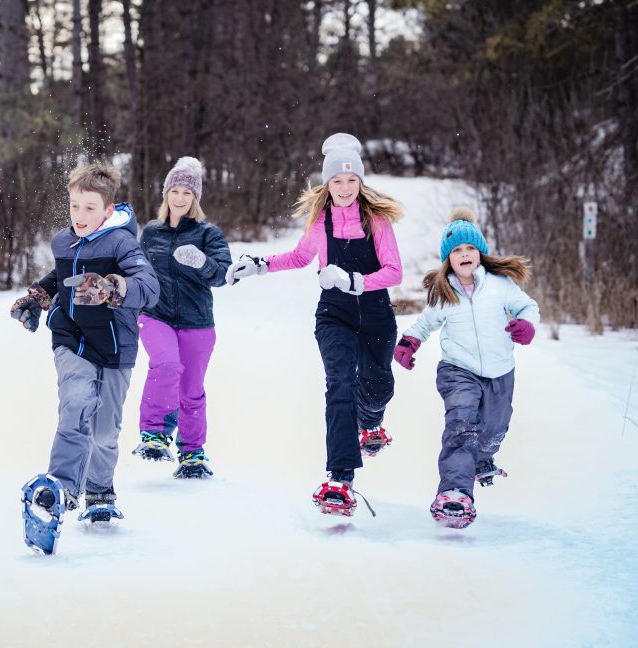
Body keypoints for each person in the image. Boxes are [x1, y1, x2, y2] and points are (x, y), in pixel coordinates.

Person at [225, 133, 404, 517]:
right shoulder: (320, 221)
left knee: (378, 387)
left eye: (351, 180)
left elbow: (394, 271)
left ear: (360, 181)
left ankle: (370, 421)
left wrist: (355, 281)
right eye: (336, 181)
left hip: (374, 313)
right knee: (338, 383)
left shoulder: (377, 220)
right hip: (334, 315)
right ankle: (339, 479)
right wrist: (259, 265)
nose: (343, 188)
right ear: (327, 184)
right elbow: (299, 257)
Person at [10, 162, 159, 550]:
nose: (80, 216)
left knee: (105, 431)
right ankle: (58, 489)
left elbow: (149, 286)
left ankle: (99, 491)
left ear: (108, 210)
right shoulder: (63, 242)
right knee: (76, 403)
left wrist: (112, 287)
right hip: (70, 335)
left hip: (114, 345)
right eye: (75, 206)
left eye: (89, 208)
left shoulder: (123, 243)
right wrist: (37, 298)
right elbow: (59, 277)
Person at [393, 207, 538, 529]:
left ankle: (482, 458)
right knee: (461, 424)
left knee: (494, 428)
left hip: (500, 371)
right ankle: (455, 493)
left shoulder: (501, 285)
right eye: (456, 250)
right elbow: (425, 322)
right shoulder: (444, 292)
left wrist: (526, 325)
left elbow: (528, 307)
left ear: (481, 253)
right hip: (458, 370)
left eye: (470, 247)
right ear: (448, 258)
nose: (464, 254)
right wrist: (409, 343)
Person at [132, 156, 232, 479]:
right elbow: (136, 270)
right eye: (174, 191)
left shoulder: (208, 233)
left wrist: (201, 261)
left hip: (197, 321)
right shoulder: (151, 233)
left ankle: (192, 452)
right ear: (166, 194)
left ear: (195, 198)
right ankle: (154, 432)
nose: (179, 198)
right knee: (167, 364)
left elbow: (222, 274)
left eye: (186, 193)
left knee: (191, 389)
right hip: (155, 315)